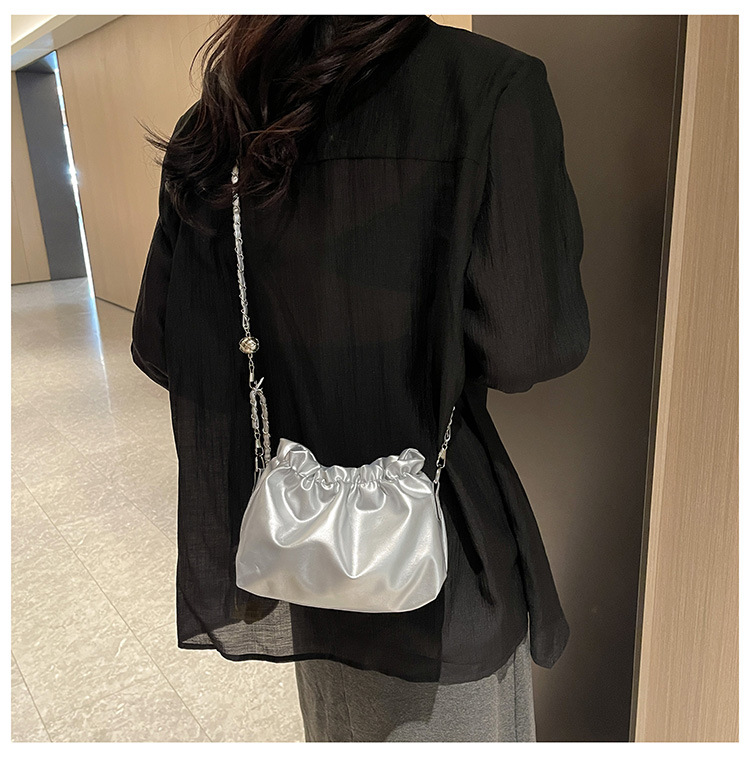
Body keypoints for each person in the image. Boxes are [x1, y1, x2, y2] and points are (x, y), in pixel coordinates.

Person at [131, 14, 590, 742]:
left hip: (302, 535)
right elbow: (529, 345)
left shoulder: (223, 121)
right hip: (439, 534)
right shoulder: (488, 86)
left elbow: (166, 343)